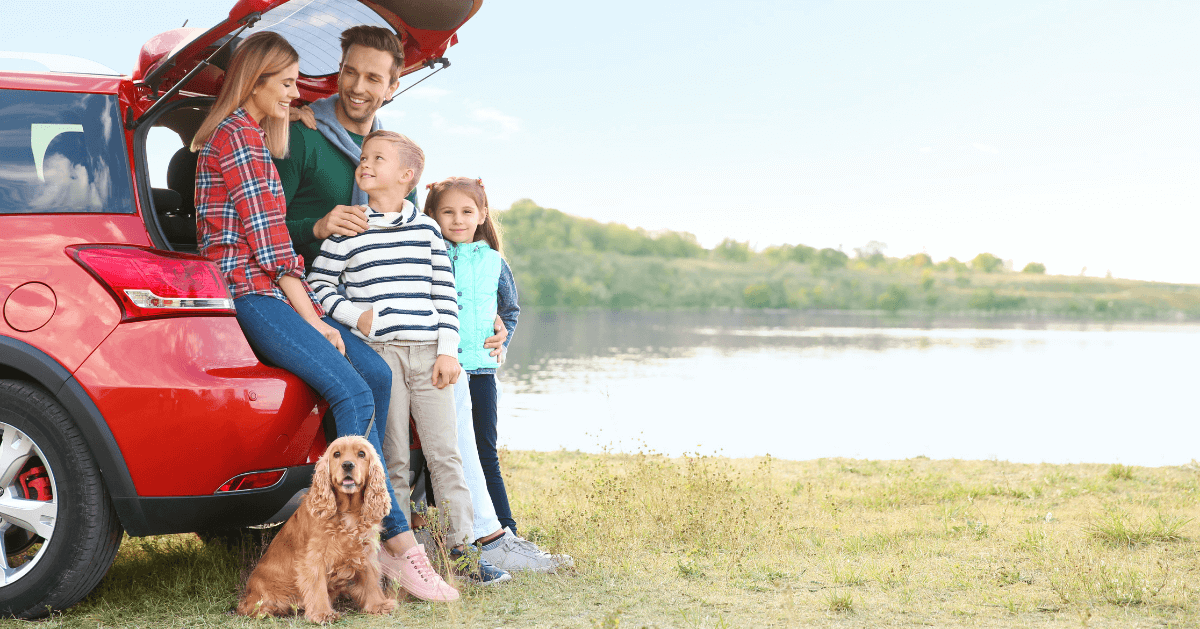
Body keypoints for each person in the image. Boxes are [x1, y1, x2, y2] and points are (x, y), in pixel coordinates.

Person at [191, 31, 458, 603]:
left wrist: (316, 315)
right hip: (254, 294)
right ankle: (388, 539)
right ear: (254, 81)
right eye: (286, 83)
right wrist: (315, 321)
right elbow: (269, 248)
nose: (297, 93)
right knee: (352, 392)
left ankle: (375, 536)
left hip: (277, 291)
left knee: (378, 376)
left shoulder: (254, 135)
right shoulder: (236, 137)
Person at [305, 131, 510, 585]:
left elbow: (444, 294)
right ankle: (396, 558)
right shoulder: (351, 226)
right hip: (382, 354)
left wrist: (448, 351)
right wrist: (355, 316)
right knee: (393, 457)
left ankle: (461, 552)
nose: (365, 163)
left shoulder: (426, 230)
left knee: (445, 455)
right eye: (363, 157)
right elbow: (318, 285)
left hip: (429, 356)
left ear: (406, 175)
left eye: (378, 157)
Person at [425, 177, 574, 572]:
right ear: (434, 216)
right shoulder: (431, 252)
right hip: (441, 368)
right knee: (441, 454)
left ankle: (504, 531)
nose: (457, 220)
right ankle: (444, 535)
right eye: (447, 212)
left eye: (467, 212)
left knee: (484, 451)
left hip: (480, 373)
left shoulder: (494, 261)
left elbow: (510, 310)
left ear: (482, 215)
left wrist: (501, 343)